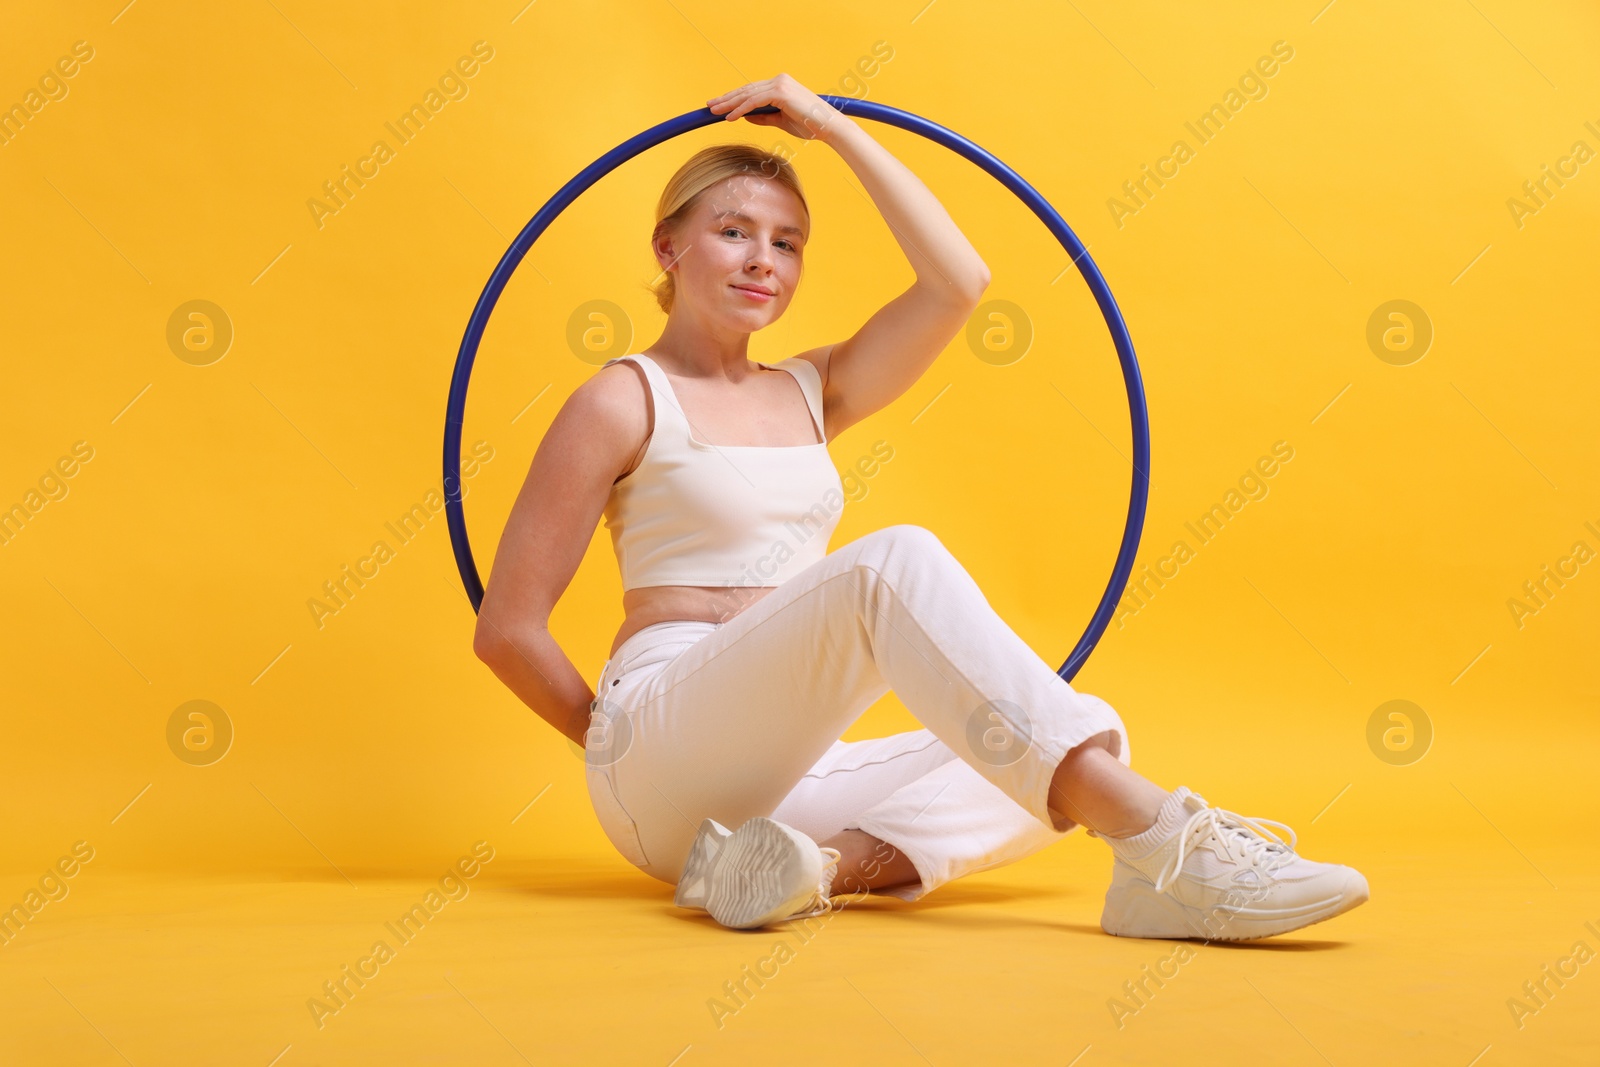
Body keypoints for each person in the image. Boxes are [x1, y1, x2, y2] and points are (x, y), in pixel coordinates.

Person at [473, 74, 1369, 937]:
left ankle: (801, 870)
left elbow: (958, 283)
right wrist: (613, 745)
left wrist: (833, 128)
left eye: (787, 242)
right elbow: (508, 627)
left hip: (781, 774)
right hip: (659, 744)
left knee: (1076, 738)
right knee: (893, 566)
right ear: (668, 247)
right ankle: (1170, 845)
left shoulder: (812, 387)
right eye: (734, 231)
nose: (763, 260)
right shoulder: (622, 398)